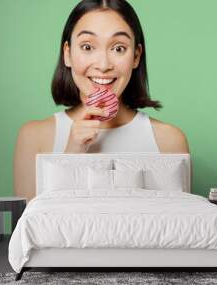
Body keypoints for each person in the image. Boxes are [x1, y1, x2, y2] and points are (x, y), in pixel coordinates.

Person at [14, 0, 190, 202]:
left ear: (136, 56)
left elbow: (180, 226)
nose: (104, 65)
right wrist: (72, 153)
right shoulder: (33, 138)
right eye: (87, 46)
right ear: (67, 54)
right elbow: (29, 229)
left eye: (118, 49)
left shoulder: (170, 141)